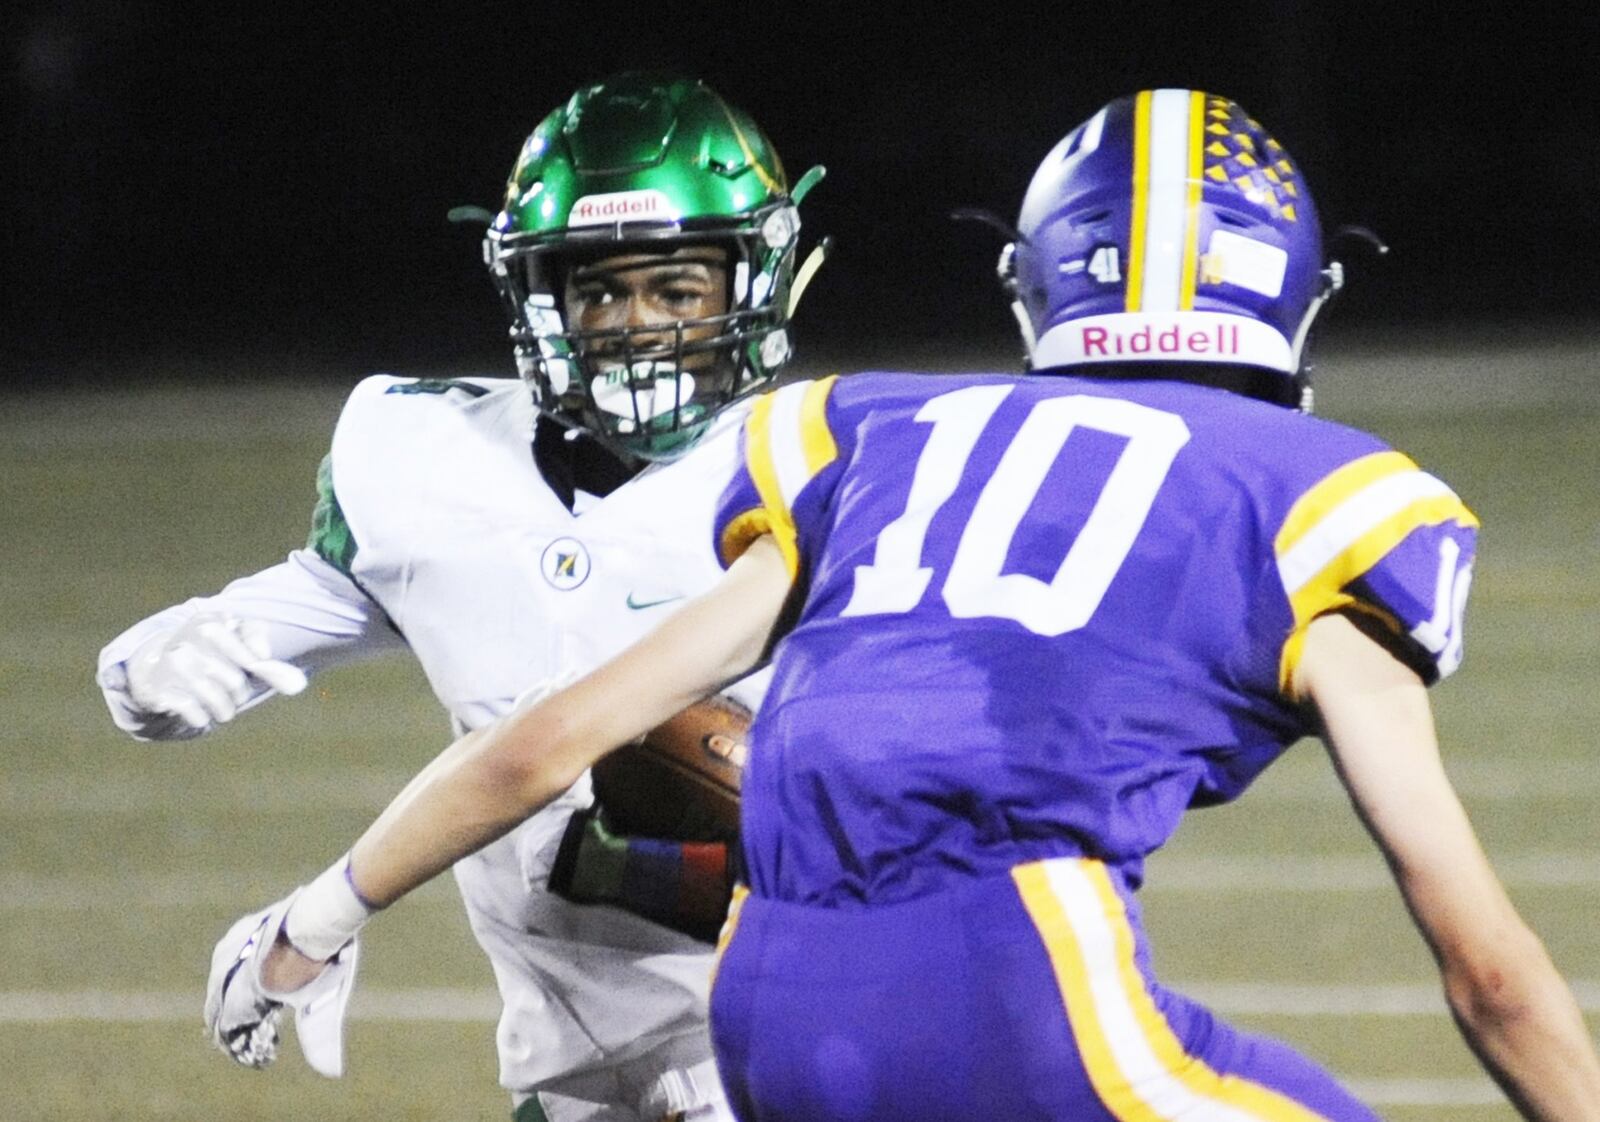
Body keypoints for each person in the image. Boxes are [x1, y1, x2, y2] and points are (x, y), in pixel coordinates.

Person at [205, 89, 1600, 1121]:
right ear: (1301, 293)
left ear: (1034, 282)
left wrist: (315, 916)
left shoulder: (864, 432)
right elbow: (1483, 962)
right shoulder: (1330, 494)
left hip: (762, 1019)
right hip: (1025, 989)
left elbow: (548, 737)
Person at [98, 71, 829, 1122]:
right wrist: (176, 658)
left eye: (675, 290)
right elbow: (318, 602)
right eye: (598, 290)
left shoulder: (824, 465)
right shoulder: (428, 458)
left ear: (749, 279)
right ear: (541, 299)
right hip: (574, 1071)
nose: (635, 325)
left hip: (781, 1043)